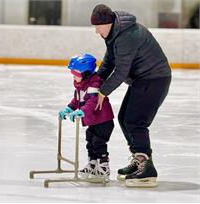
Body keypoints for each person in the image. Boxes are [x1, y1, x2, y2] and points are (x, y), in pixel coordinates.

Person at [90, 4, 172, 187]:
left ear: (108, 22)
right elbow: (110, 61)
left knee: (135, 121)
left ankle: (147, 168)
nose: (96, 31)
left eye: (98, 27)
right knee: (124, 118)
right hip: (143, 79)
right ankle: (139, 159)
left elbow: (121, 71)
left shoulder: (126, 36)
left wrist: (103, 91)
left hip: (154, 79)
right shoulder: (113, 34)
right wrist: (95, 82)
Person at [58, 53, 114, 180]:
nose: (73, 76)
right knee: (90, 141)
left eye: (76, 73)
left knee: (98, 143)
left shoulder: (94, 84)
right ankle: (93, 164)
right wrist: (69, 108)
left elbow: (92, 102)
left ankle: (104, 167)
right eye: (73, 73)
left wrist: (81, 111)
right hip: (94, 120)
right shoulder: (81, 84)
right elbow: (77, 99)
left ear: (86, 73)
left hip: (103, 121)